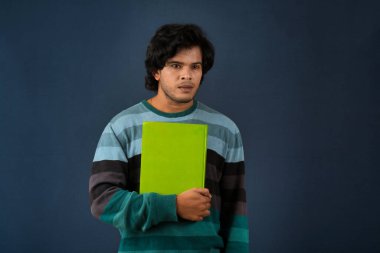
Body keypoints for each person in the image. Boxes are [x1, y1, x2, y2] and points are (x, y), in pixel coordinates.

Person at [89, 23, 249, 253]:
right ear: (156, 71)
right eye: (176, 65)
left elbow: (236, 217)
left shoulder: (225, 130)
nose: (187, 75)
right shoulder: (122, 126)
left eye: (195, 66)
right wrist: (172, 206)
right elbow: (102, 201)